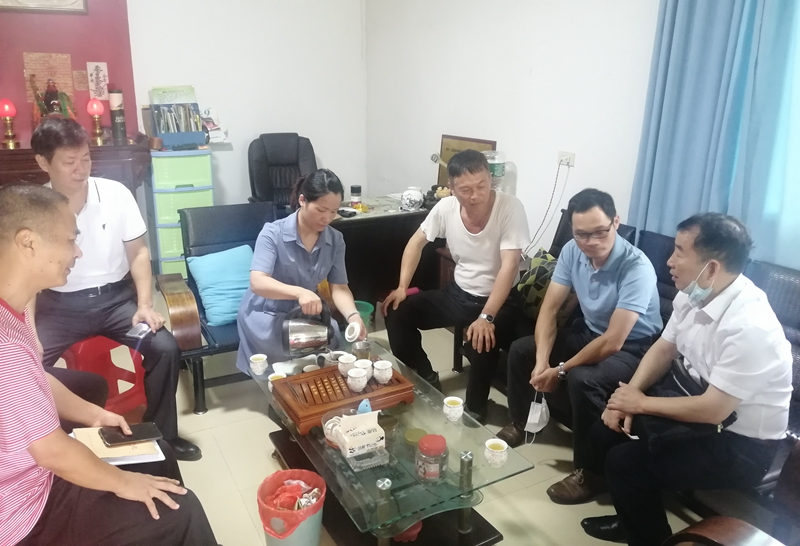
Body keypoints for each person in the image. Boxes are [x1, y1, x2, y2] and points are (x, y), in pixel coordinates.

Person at [0, 183, 217, 546]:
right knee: (183, 511)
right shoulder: (6, 348)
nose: (78, 252)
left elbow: (34, 379)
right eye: (70, 241)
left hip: (36, 472)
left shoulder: (15, 308)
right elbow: (51, 451)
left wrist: (94, 415)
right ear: (28, 243)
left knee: (158, 451)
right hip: (25, 511)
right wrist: (124, 483)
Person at [580, 213, 792, 546]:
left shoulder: (750, 327)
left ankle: (650, 538)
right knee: (605, 431)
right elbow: (664, 348)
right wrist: (628, 397)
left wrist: (641, 403)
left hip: (741, 444)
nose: (669, 260)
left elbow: (714, 410)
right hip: (699, 406)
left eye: (679, 251)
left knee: (626, 464)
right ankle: (632, 517)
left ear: (711, 268)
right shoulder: (695, 293)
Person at [30, 117, 200, 461]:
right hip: (59, 306)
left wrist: (144, 304)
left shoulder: (115, 194)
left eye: (86, 158)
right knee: (24, 365)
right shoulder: (35, 207)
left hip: (116, 303)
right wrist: (30, 332)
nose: (81, 169)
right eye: (69, 162)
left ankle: (164, 436)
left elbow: (138, 253)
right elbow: (29, 276)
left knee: (165, 347)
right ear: (43, 162)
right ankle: (54, 439)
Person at [497, 188, 662, 505]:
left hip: (633, 348)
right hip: (589, 332)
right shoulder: (573, 251)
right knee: (522, 351)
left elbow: (613, 341)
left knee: (582, 379)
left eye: (600, 232)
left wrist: (560, 369)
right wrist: (542, 361)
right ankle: (521, 422)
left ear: (616, 222)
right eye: (581, 234)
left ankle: (592, 473)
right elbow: (549, 309)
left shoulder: (636, 268)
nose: (591, 242)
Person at [382, 149, 530, 421]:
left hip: (500, 301)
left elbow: (509, 266)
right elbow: (416, 243)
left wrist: (486, 316)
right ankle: (426, 377)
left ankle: (475, 409)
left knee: (481, 340)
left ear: (490, 180)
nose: (475, 195)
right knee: (397, 311)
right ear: (451, 188)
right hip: (459, 294)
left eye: (482, 186)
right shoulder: (446, 208)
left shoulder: (510, 207)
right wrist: (402, 286)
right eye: (465, 190)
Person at [237, 169, 367, 372]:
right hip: (268, 312)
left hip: (308, 311)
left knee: (332, 340)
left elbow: (339, 287)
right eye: (321, 210)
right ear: (302, 200)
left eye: (333, 211)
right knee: (287, 357)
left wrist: (353, 316)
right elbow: (258, 282)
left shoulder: (335, 240)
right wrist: (300, 293)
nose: (327, 218)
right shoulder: (273, 233)